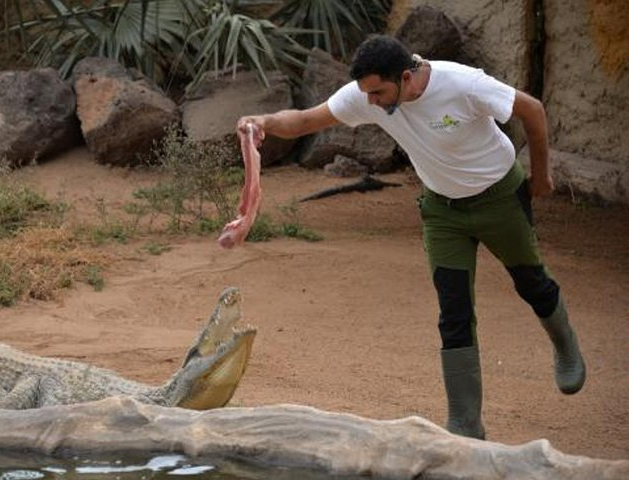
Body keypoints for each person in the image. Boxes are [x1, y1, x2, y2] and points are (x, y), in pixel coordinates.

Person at [236, 35, 586, 439]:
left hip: (499, 198)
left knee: (532, 284)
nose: (370, 103)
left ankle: (564, 344)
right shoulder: (370, 93)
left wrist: (541, 174)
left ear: (405, 77)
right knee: (453, 312)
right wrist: (262, 122)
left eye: (378, 93)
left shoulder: (463, 84)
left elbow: (532, 110)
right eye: (366, 94)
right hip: (443, 213)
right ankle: (466, 423)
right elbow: (305, 120)